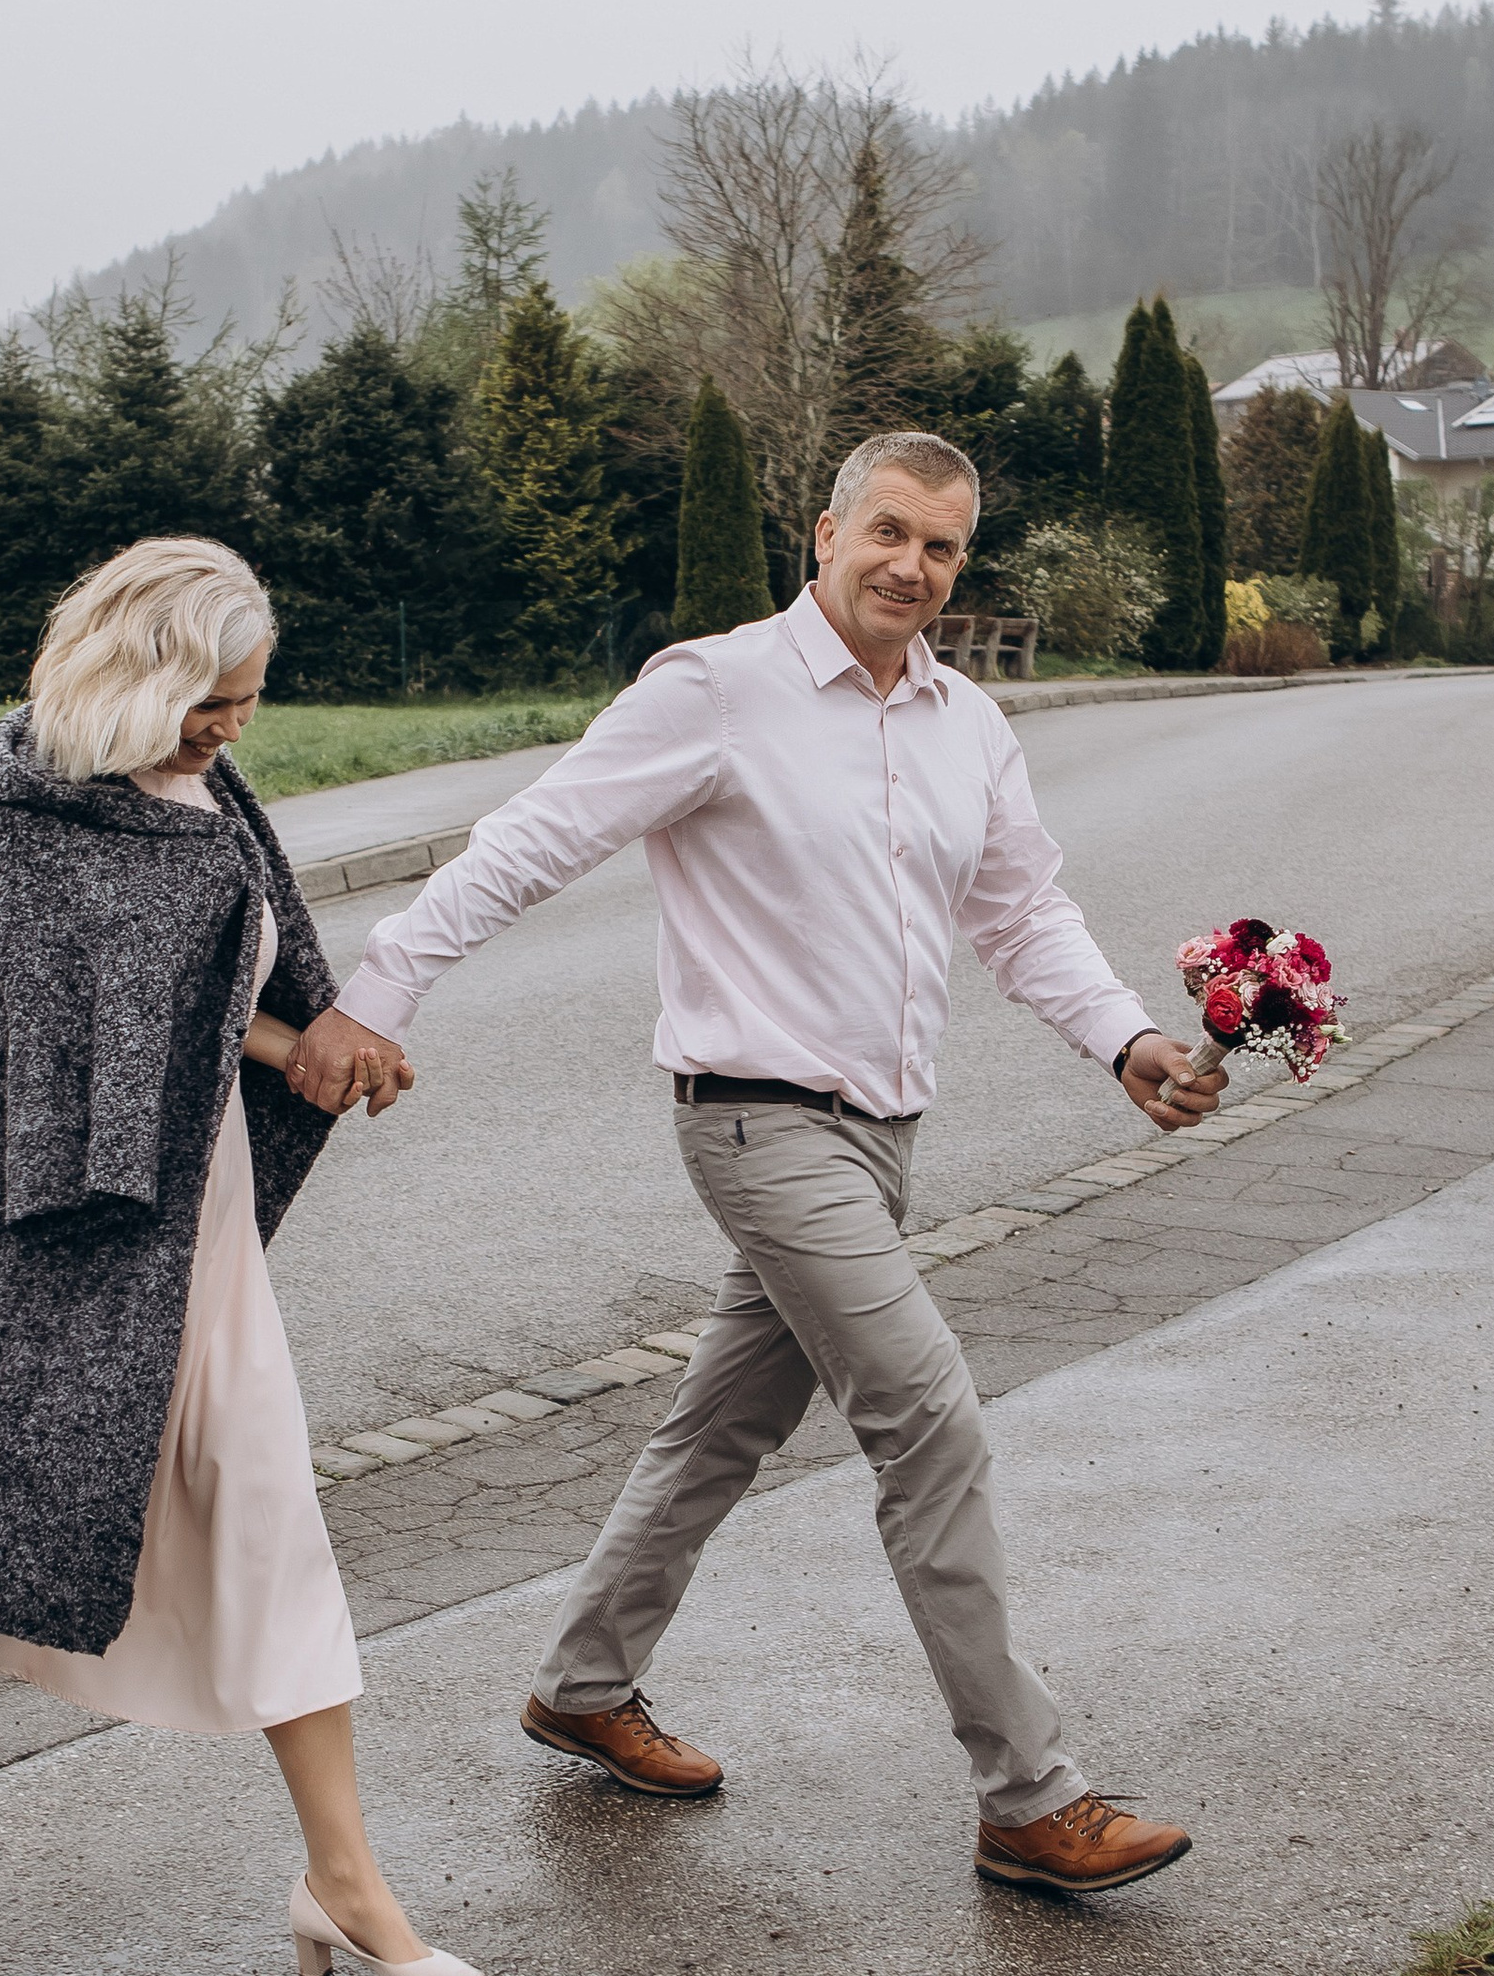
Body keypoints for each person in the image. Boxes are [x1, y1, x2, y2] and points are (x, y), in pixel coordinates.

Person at [290, 432, 1221, 1898]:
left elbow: (1023, 915)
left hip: (881, 1138)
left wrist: (1128, 1042)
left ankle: (586, 1688)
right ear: (826, 531)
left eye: (945, 547)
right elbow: (530, 843)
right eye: (891, 534)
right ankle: (1030, 1798)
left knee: (721, 1428)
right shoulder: (718, 691)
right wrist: (378, 991)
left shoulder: (969, 723)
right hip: (755, 1123)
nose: (914, 568)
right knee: (930, 1421)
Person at [0, 535, 481, 1976]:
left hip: (200, 1223)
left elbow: (208, 988)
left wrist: (312, 1035)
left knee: (269, 1516)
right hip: (47, 1243)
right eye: (213, 704)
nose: (234, 729)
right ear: (142, 677)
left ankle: (342, 1878)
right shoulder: (32, 830)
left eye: (247, 702)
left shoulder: (200, 792)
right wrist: (289, 1042)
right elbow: (65, 1063)